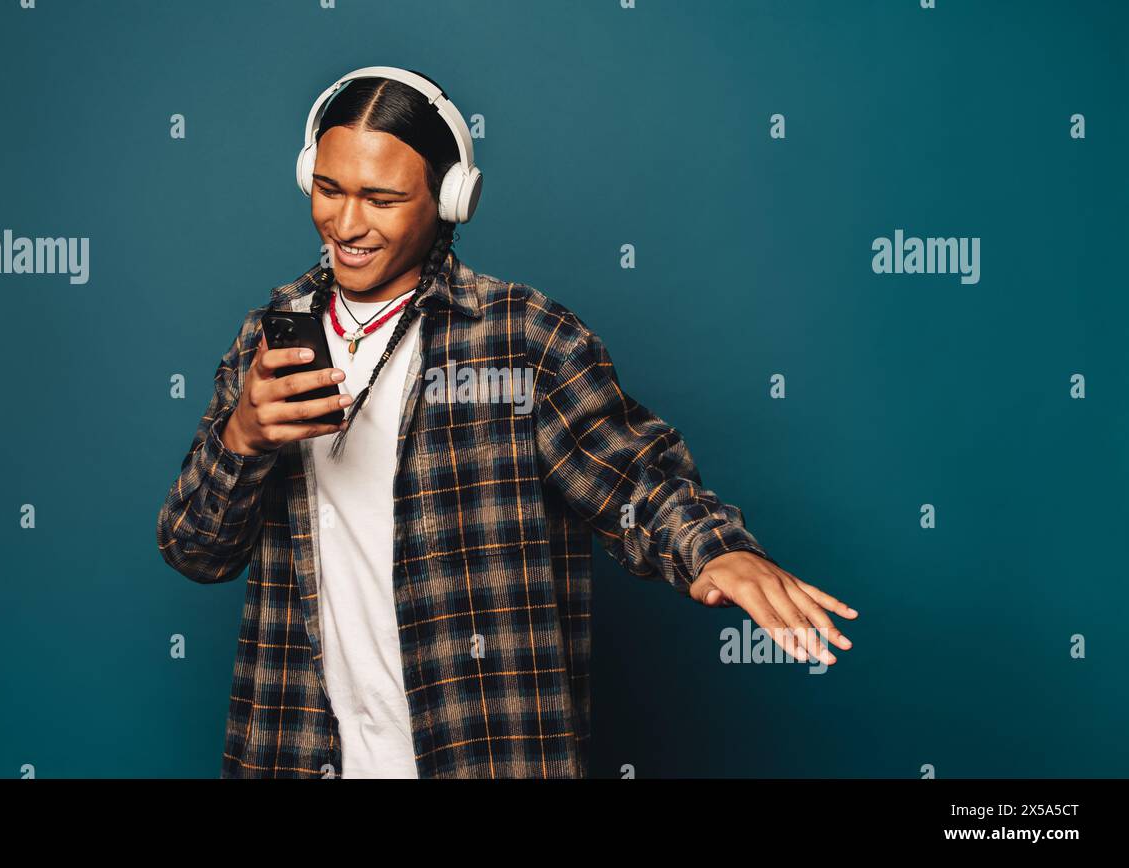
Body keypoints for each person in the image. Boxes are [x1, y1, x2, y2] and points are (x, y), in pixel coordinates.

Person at [156, 66, 858, 779]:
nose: (345, 224)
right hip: (300, 754)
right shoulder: (269, 339)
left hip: (479, 753)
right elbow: (194, 550)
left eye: (382, 198)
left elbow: (635, 482)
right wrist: (241, 437)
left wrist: (713, 550)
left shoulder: (525, 339)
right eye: (329, 189)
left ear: (450, 199)